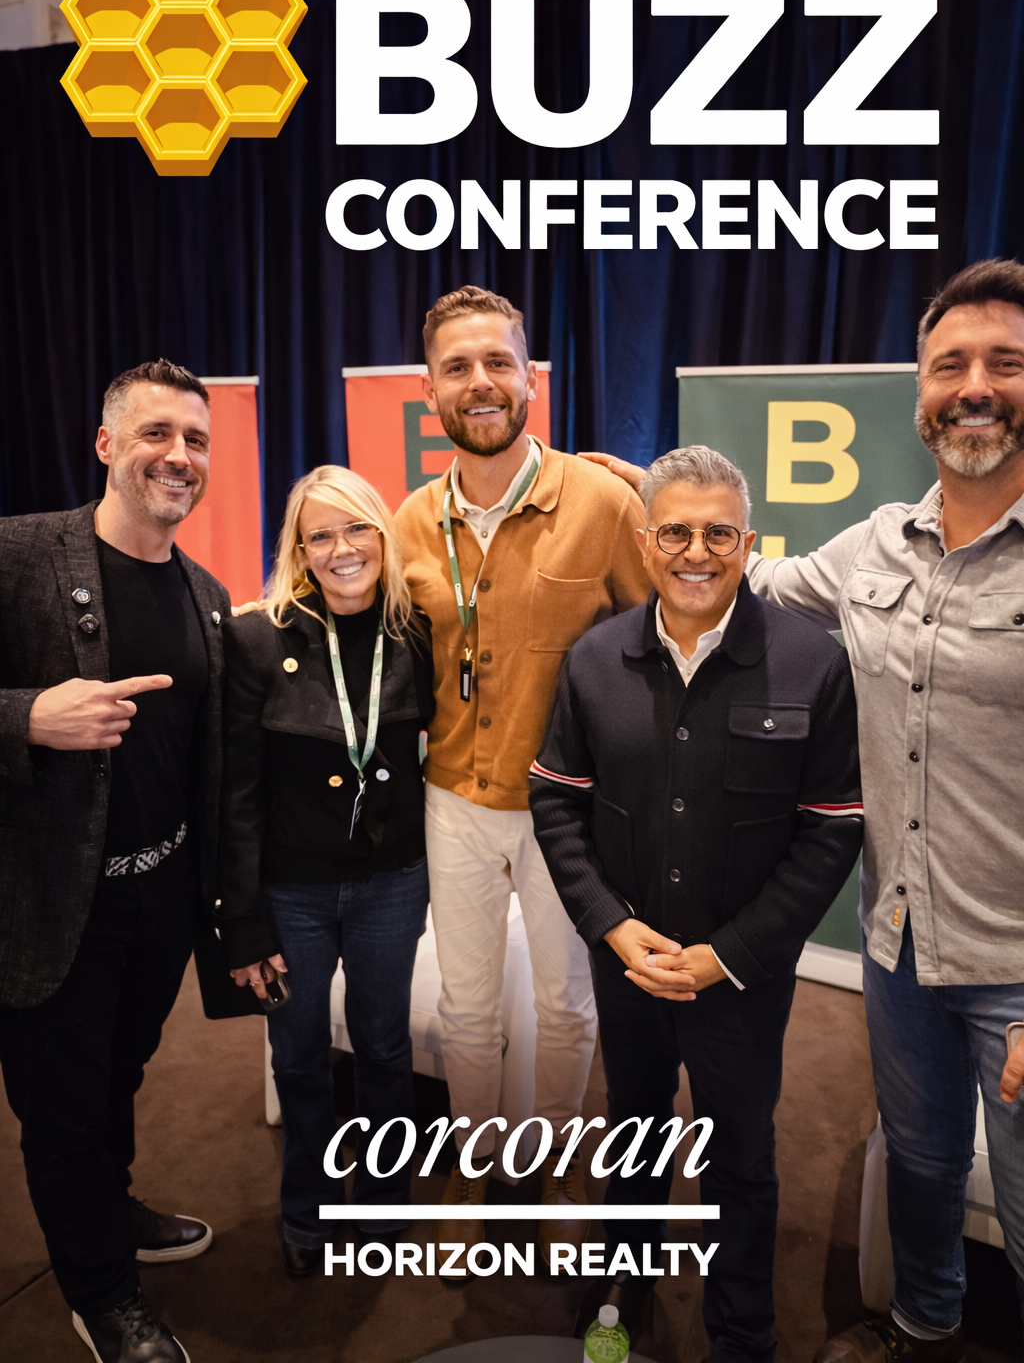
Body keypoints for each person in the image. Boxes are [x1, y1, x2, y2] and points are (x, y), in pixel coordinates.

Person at [584, 257, 1024, 1363]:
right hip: (901, 939)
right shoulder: (873, 543)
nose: (974, 386)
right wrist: (648, 500)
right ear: (920, 389)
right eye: (950, 365)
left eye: (1005, 363)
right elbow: (737, 582)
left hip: (1019, 961)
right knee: (922, 1161)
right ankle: (922, 1325)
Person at [530, 445, 863, 1356]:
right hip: (628, 967)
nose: (696, 553)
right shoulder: (595, 659)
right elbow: (555, 803)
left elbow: (832, 830)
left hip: (743, 980)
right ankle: (620, 1293)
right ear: (645, 543)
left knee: (740, 1158)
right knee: (632, 1132)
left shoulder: (813, 664)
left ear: (749, 543)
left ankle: (740, 1331)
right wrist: (612, 927)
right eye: (674, 532)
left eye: (719, 533)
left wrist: (730, 955)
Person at [394, 285, 650, 1260]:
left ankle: (553, 1157)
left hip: (569, 810)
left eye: (498, 362)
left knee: (564, 1004)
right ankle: (474, 1159)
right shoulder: (408, 522)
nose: (481, 382)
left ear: (530, 378)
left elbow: (668, 638)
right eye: (457, 367)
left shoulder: (603, 504)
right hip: (452, 798)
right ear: (430, 392)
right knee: (465, 1006)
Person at [0, 361, 229, 1363]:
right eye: (155, 434)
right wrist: (26, 717)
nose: (178, 456)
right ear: (104, 445)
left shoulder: (206, 593)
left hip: (160, 902)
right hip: (51, 906)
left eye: (195, 439)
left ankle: (110, 1207)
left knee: (119, 1076)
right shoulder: (17, 554)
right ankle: (100, 1296)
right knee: (60, 1109)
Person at [218, 465, 433, 1277]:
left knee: (383, 1049)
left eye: (357, 529)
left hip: (391, 883)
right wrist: (243, 920)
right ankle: (306, 1208)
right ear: (299, 551)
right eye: (321, 536)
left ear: (383, 535)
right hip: (291, 892)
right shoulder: (256, 639)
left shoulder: (417, 633)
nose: (343, 549)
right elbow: (236, 793)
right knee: (299, 1054)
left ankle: (383, 1207)